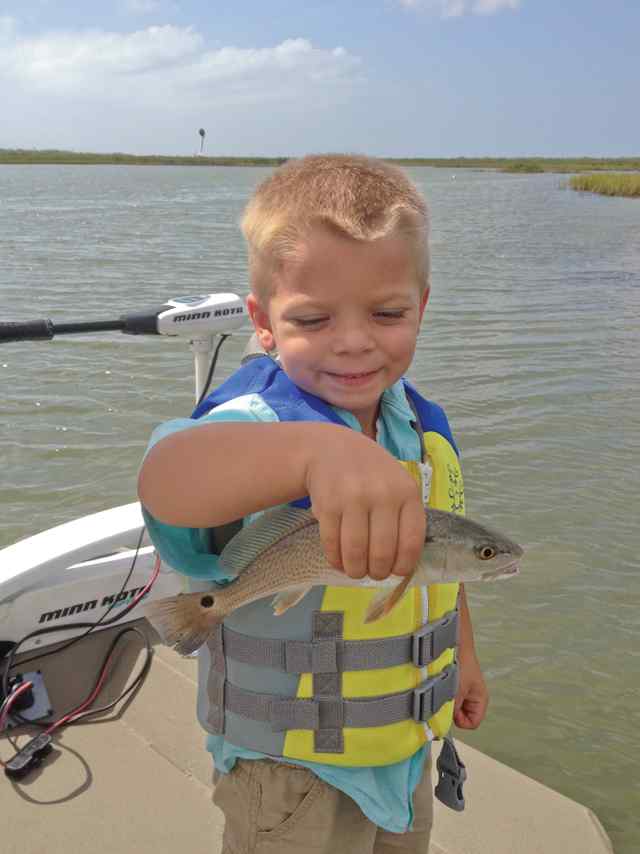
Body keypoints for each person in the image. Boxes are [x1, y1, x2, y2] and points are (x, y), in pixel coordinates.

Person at [137, 154, 488, 854]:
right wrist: (312, 455)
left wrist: (465, 661)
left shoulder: (423, 426)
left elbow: (439, 566)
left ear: (421, 305)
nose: (353, 340)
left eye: (386, 312)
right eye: (314, 318)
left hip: (404, 750)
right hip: (294, 773)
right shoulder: (260, 422)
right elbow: (165, 476)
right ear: (264, 323)